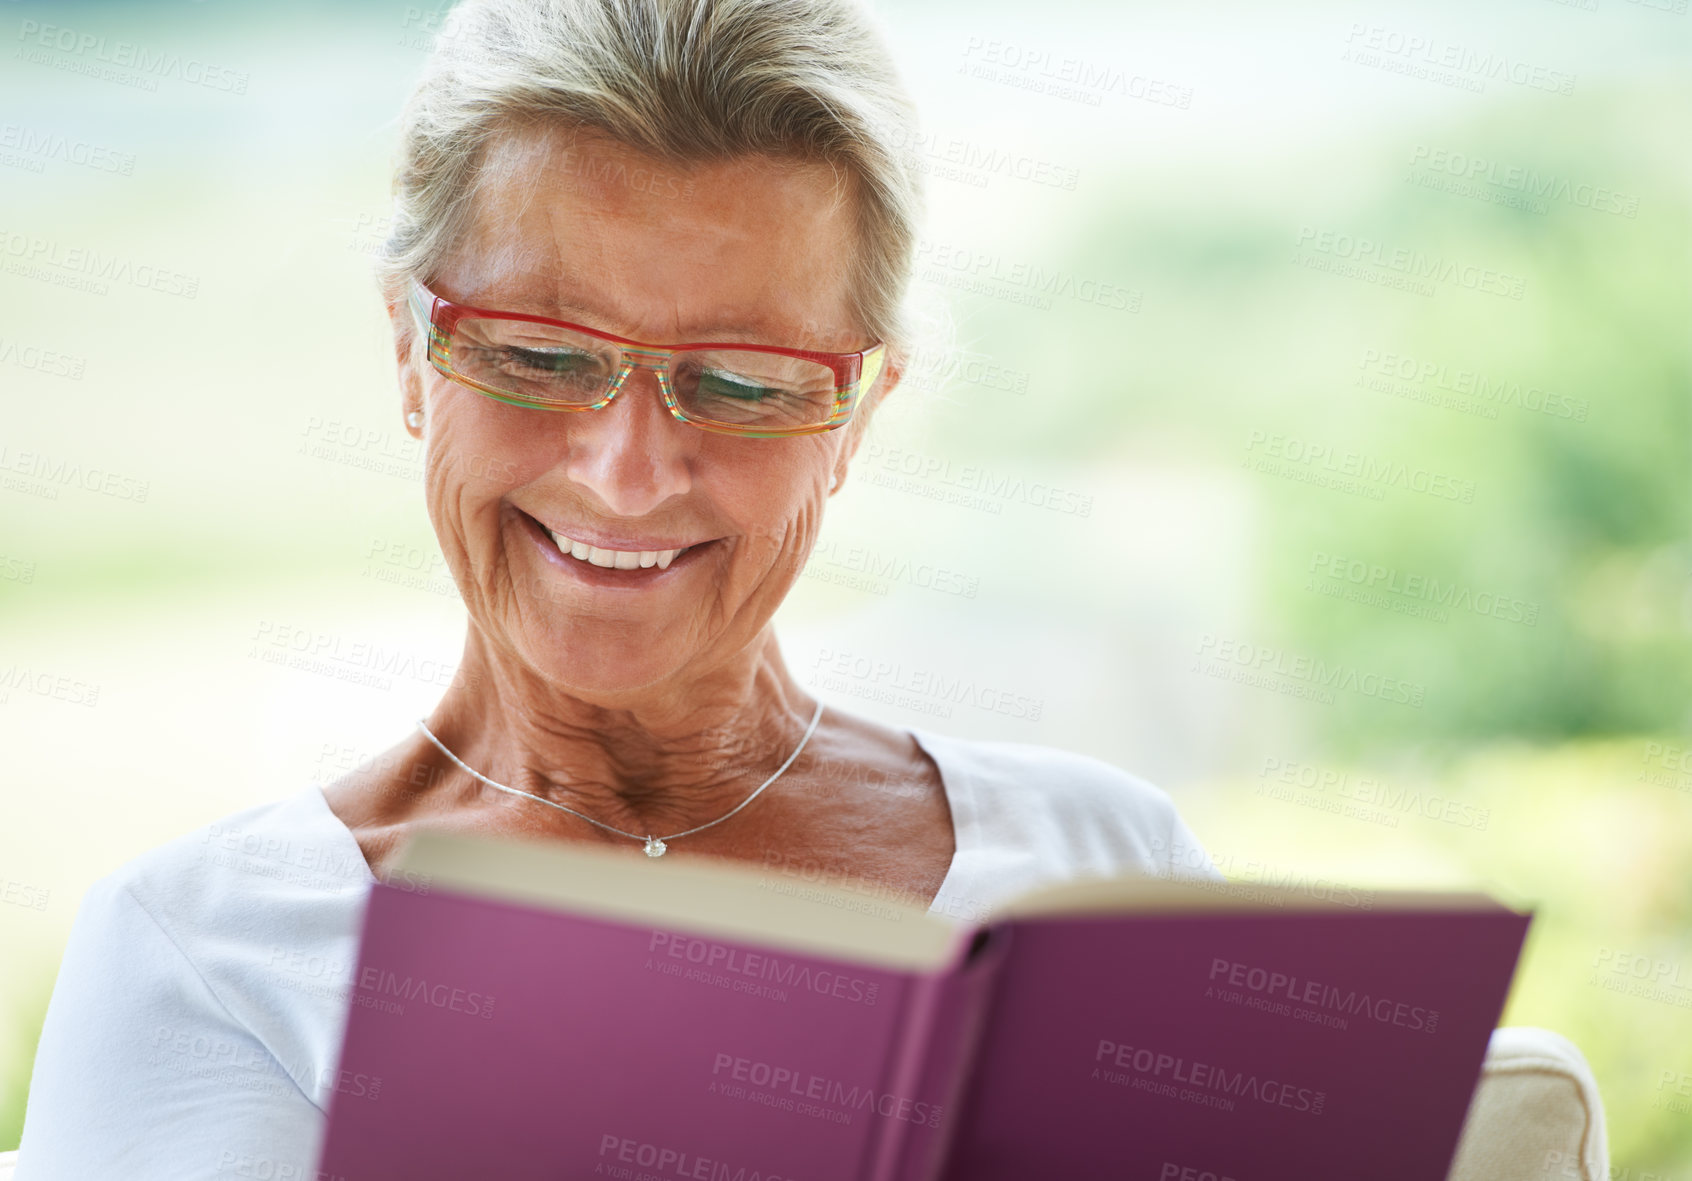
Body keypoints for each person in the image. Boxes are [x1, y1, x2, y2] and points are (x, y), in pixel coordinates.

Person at [15, 0, 1220, 1174]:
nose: (629, 477)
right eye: (538, 354)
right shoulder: (206, 953)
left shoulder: (1107, 872)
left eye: (747, 382)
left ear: (859, 413)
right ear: (407, 349)